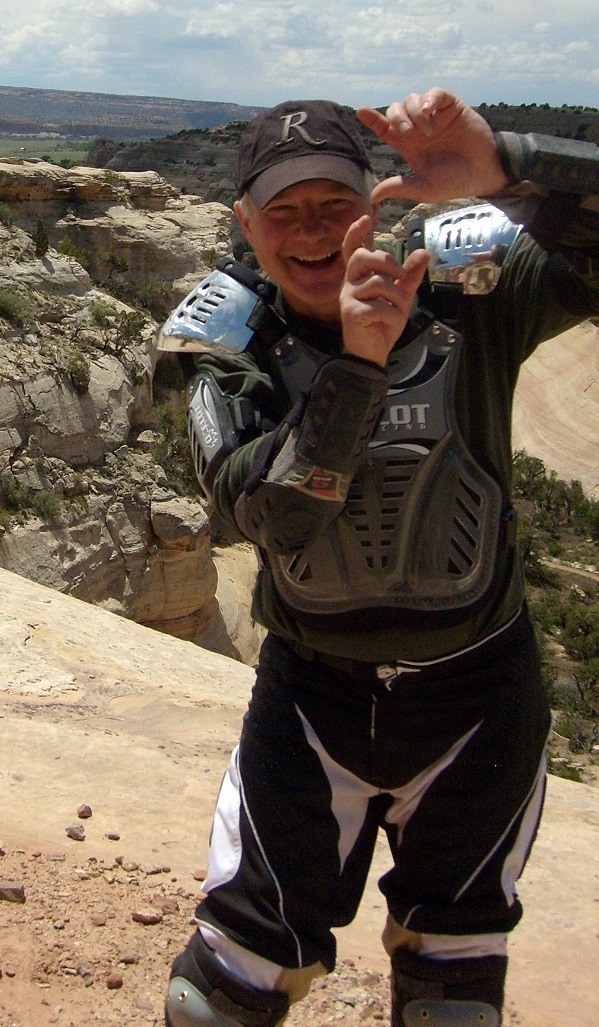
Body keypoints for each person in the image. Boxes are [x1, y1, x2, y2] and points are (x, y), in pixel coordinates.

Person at [162, 89, 599, 1027]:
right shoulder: (229, 335)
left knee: (453, 996)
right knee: (219, 996)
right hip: (312, 700)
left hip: (478, 699)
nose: (312, 230)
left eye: (334, 202)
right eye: (284, 209)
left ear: (377, 202)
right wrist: (359, 365)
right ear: (245, 222)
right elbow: (267, 515)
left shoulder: (464, 287)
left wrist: (511, 162)